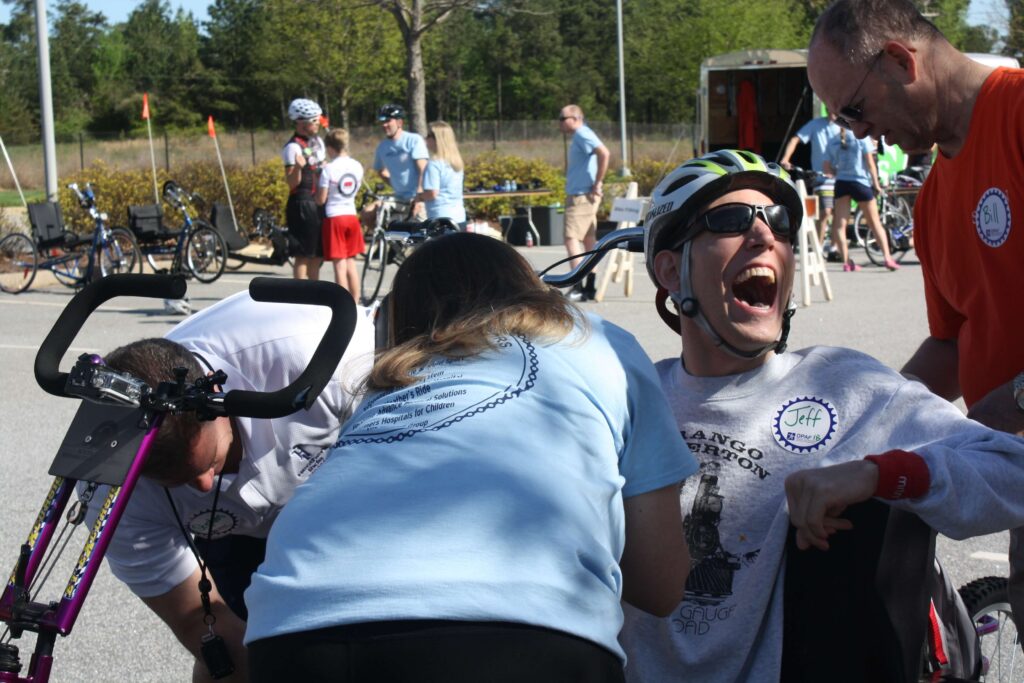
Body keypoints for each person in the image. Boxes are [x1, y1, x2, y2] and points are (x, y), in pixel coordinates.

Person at [618, 150, 1024, 682]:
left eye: (780, 223)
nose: (764, 236)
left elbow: (1012, 471)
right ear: (671, 271)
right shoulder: (626, 393)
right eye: (730, 220)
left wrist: (883, 473)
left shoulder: (841, 386)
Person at [244, 232, 697, 682]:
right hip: (515, 630)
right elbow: (660, 583)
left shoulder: (390, 384)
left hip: (289, 628)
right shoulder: (597, 339)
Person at [806, 0, 1024, 630]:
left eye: (852, 109)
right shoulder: (932, 200)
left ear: (901, 60)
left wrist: (1014, 401)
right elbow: (953, 345)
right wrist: (860, 430)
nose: (853, 133)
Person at [87, 291, 375, 683]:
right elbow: (198, 624)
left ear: (217, 396)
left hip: (345, 498)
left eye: (209, 464)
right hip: (229, 530)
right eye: (181, 482)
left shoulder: (321, 352)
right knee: (229, 655)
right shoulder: (110, 491)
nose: (204, 485)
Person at [823, 127, 899, 271]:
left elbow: (826, 167)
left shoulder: (833, 139)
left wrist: (837, 172)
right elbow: (870, 163)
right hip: (860, 182)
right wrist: (876, 184)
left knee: (840, 224)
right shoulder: (861, 137)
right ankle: (887, 258)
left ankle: (846, 262)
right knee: (875, 223)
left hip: (842, 183)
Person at [559, 103, 610, 301]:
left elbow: (604, 153)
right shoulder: (581, 135)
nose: (560, 123)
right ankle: (589, 286)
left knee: (571, 238)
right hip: (583, 194)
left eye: (563, 118)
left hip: (581, 195)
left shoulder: (582, 133)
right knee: (589, 241)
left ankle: (578, 285)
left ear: (576, 118)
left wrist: (597, 182)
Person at [779, 110, 840, 251]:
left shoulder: (844, 127)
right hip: (821, 177)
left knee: (839, 213)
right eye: (830, 109)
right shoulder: (816, 124)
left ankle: (834, 247)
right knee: (825, 211)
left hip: (841, 176)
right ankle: (817, 247)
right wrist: (786, 158)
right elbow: (795, 139)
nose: (833, 113)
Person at [317, 128, 365, 297]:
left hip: (334, 217)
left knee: (339, 265)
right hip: (351, 215)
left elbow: (321, 199)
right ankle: (356, 301)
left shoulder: (329, 169)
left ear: (330, 148)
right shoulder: (357, 166)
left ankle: (344, 303)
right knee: (351, 262)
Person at [282, 98, 326, 280]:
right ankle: (299, 297)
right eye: (314, 120)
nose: (318, 124)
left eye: (318, 120)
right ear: (301, 122)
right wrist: (298, 168)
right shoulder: (292, 147)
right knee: (302, 256)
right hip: (301, 202)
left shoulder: (318, 143)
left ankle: (314, 296)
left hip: (318, 202)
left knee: (317, 255)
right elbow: (292, 182)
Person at [372, 103, 428, 218]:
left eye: (388, 121)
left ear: (399, 122)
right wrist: (394, 183)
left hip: (418, 196)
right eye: (382, 122)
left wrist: (419, 196)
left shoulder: (413, 140)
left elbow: (423, 170)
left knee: (421, 226)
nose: (384, 125)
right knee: (368, 214)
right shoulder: (382, 147)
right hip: (399, 197)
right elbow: (381, 171)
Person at [415, 120, 467, 229]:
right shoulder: (456, 162)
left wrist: (419, 197)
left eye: (428, 136)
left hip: (440, 219)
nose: (425, 139)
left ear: (437, 139)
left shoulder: (433, 164)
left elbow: (432, 193)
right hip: (459, 218)